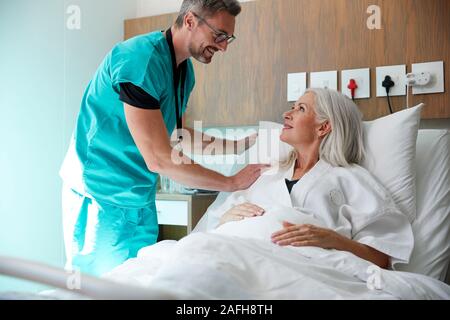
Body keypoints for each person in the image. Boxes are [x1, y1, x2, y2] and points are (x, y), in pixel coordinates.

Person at [59, 0, 268, 276]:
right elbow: (159, 158)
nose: (224, 46)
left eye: (228, 38)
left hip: (139, 200)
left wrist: (240, 146)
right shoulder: (140, 60)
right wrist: (230, 183)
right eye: (219, 35)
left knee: (138, 282)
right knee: (97, 289)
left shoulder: (184, 72)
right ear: (191, 21)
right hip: (101, 197)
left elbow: (176, 135)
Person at [206, 88, 414, 269]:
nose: (287, 114)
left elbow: (381, 258)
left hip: (300, 269)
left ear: (323, 127)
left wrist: (334, 240)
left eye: (300, 109)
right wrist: (226, 219)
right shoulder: (266, 174)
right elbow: (213, 226)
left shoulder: (350, 179)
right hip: (235, 255)